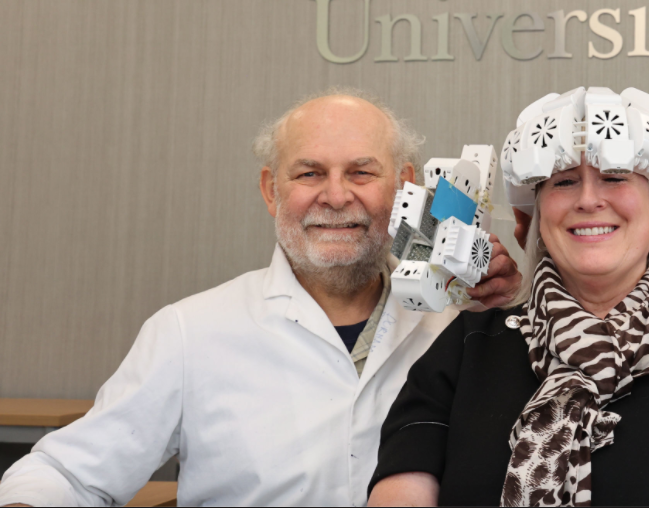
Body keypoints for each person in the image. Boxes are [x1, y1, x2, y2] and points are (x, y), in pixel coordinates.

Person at [0, 89, 520, 507]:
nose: (336, 196)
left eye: (361, 172)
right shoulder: (189, 332)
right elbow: (67, 473)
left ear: (407, 186)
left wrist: (510, 314)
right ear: (271, 190)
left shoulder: (466, 323)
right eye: (309, 173)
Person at [368, 87, 649, 507]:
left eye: (614, 177)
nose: (588, 200)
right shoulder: (465, 349)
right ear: (539, 215)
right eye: (563, 181)